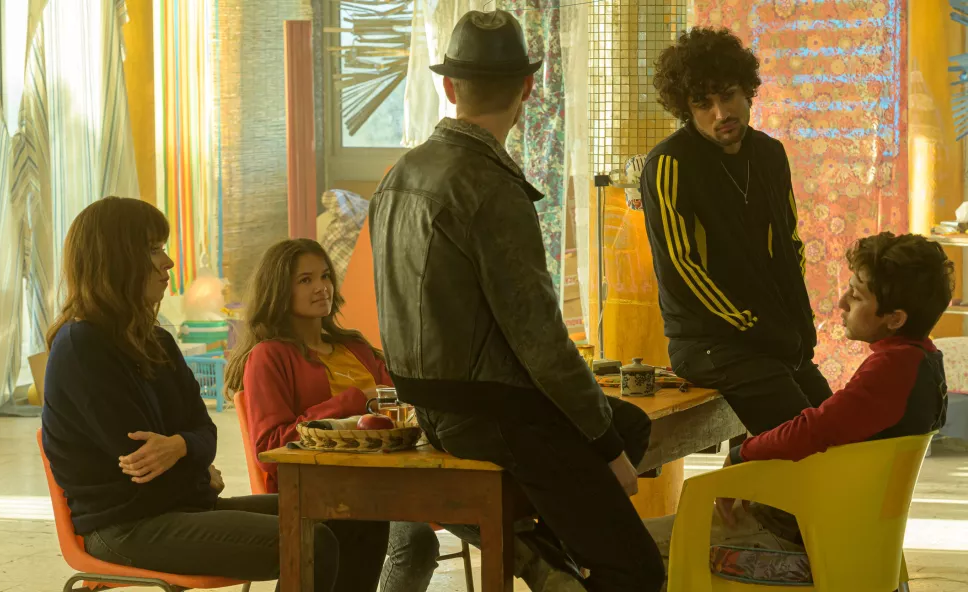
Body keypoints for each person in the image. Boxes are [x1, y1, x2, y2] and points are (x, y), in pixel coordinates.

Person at [369, 9, 665, 592]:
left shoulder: (399, 174)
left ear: (449, 88)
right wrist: (607, 451)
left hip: (428, 412)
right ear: (528, 88)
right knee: (637, 569)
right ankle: (551, 561)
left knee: (627, 421)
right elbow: (542, 343)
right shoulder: (490, 188)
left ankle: (544, 555)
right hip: (496, 418)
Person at [40, 197, 346, 590]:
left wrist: (183, 447)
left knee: (346, 514)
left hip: (183, 506)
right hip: (125, 526)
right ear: (116, 259)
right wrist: (197, 466)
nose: (168, 262)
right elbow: (141, 463)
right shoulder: (81, 347)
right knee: (309, 541)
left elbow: (205, 432)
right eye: (154, 249)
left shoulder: (157, 340)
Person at [646, 232, 951, 570]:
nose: (842, 303)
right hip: (843, 530)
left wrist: (740, 455)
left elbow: (814, 429)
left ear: (895, 318)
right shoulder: (924, 361)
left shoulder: (892, 370)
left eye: (856, 296)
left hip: (804, 537)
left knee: (627, 547)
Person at [640, 27, 833, 435]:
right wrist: (753, 326)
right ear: (686, 109)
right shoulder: (670, 164)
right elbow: (681, 268)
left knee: (839, 428)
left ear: (747, 91)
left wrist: (791, 322)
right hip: (708, 342)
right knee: (806, 436)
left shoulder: (769, 155)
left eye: (727, 95)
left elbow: (790, 243)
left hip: (772, 335)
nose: (720, 113)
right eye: (703, 104)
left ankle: (744, 476)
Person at [224, 238, 439, 592]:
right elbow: (272, 446)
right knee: (415, 541)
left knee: (481, 511)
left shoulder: (355, 347)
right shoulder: (269, 356)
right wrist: (356, 402)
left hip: (395, 479)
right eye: (305, 280)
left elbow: (402, 407)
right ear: (279, 290)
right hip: (323, 491)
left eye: (325, 276)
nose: (321, 287)